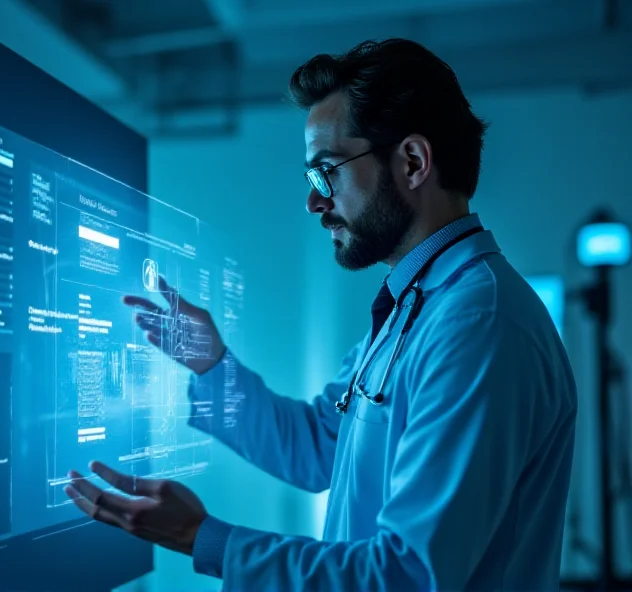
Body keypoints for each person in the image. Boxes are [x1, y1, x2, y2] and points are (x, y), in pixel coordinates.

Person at [65, 38, 578, 590]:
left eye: (327, 171)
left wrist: (203, 538)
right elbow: (317, 447)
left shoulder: (476, 325)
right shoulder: (422, 306)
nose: (315, 202)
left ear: (412, 161)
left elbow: (409, 574)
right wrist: (212, 365)